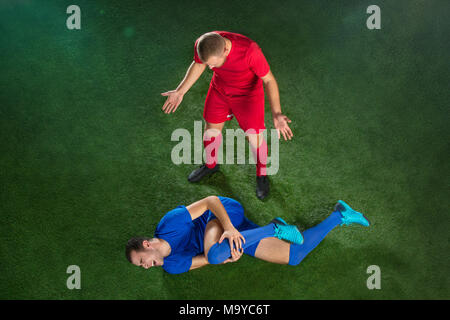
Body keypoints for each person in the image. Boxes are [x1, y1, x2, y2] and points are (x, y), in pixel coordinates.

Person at [161, 31, 294, 200]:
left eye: (213, 64)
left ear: (225, 51)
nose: (210, 67)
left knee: (254, 138)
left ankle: (262, 175)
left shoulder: (250, 51)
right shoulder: (204, 43)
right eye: (208, 64)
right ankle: (211, 165)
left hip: (248, 96)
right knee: (210, 131)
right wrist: (180, 92)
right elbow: (199, 64)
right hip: (220, 90)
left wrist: (276, 113)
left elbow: (268, 80)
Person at [125, 196, 370, 274]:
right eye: (142, 266)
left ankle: (275, 228)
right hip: (223, 241)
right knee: (294, 256)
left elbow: (210, 201)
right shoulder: (172, 266)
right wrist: (230, 257)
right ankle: (340, 215)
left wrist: (229, 228)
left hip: (222, 214)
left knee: (214, 253)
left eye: (141, 261)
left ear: (147, 244)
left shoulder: (170, 224)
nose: (146, 266)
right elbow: (209, 260)